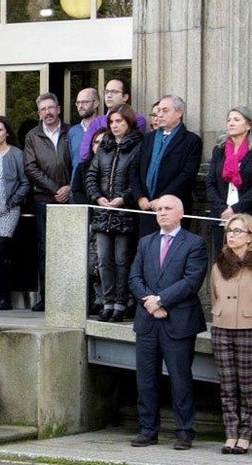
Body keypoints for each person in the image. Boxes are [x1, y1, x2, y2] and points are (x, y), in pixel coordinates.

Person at [128, 195, 208, 449]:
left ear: (181, 213)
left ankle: (184, 430)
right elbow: (134, 277)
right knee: (146, 379)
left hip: (179, 321)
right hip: (148, 321)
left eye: (168, 209)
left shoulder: (195, 243)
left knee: (180, 379)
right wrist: (149, 303)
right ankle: (148, 429)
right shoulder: (145, 242)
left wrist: (161, 300)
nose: (162, 213)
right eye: (159, 209)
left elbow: (192, 281)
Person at [207, 214, 252, 454]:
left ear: (250, 237)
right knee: (227, 385)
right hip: (222, 327)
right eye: (229, 230)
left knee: (247, 385)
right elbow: (214, 295)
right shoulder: (219, 264)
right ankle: (231, 432)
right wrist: (220, 314)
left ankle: (246, 434)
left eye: (237, 231)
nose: (231, 235)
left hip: (250, 328)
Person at [85, 104, 143, 322]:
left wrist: (124, 198)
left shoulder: (138, 146)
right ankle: (107, 302)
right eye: (112, 122)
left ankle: (121, 303)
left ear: (128, 122)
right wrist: (97, 197)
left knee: (121, 259)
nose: (115, 125)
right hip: (102, 212)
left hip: (124, 212)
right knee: (103, 260)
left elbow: (138, 178)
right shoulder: (105, 147)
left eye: (119, 121)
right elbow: (91, 175)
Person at [23, 92, 72, 312]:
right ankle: (46, 297)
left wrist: (70, 187)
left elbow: (83, 162)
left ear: (59, 109)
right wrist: (55, 189)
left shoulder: (72, 132)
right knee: (45, 250)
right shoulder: (32, 136)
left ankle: (71, 297)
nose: (48, 112)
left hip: (72, 199)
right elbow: (30, 167)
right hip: (44, 199)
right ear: (38, 113)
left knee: (71, 249)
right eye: (43, 109)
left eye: (51, 108)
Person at [132, 95, 203, 238]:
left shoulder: (191, 141)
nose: (160, 114)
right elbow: (134, 168)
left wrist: (163, 199)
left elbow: (187, 174)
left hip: (173, 207)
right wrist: (140, 196)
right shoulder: (148, 138)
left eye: (165, 110)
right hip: (147, 207)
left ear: (179, 113)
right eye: (158, 111)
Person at [0, 116, 30, 310]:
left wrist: (13, 201)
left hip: (8, 211)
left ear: (7, 132)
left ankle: (5, 298)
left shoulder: (17, 154)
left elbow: (25, 182)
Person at [206, 107, 252, 236]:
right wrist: (223, 209)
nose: (231, 123)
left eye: (236, 120)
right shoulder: (219, 150)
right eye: (229, 120)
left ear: (248, 125)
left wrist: (235, 209)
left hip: (248, 215)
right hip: (221, 216)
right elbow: (210, 184)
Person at [75, 77, 148, 164]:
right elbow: (85, 153)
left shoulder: (138, 120)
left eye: (114, 92)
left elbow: (129, 149)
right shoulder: (97, 122)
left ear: (125, 97)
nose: (109, 95)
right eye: (106, 92)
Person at [68, 87, 100, 205]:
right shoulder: (73, 132)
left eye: (85, 102)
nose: (80, 106)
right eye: (78, 103)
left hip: (100, 191)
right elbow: (72, 161)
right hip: (76, 192)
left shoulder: (105, 127)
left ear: (96, 103)